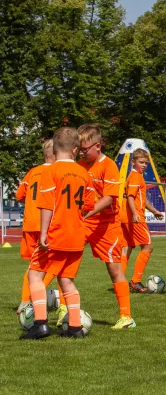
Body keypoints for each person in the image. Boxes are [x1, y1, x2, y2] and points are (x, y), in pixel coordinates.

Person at [21, 127, 94, 339]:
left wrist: (43, 232)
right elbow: (88, 204)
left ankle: (41, 323)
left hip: (55, 234)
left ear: (54, 147)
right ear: (75, 149)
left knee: (35, 274)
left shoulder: (49, 172)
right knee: (67, 280)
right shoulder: (84, 173)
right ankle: (74, 327)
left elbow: (46, 205)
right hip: (76, 235)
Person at [78, 124, 135, 329]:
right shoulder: (80, 165)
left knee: (114, 269)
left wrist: (87, 212)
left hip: (107, 225)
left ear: (98, 146)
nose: (83, 153)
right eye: (80, 149)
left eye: (85, 149)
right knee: (65, 260)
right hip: (83, 222)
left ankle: (126, 317)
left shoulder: (109, 165)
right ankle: (64, 309)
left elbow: (109, 198)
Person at [15, 140, 67, 318]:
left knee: (34, 265)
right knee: (58, 265)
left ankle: (25, 301)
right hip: (48, 224)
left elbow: (19, 195)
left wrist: (31, 203)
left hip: (29, 224)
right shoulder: (55, 172)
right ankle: (59, 304)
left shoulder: (32, 172)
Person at [120, 148, 164, 292]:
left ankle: (119, 283)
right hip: (135, 217)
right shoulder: (135, 177)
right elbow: (131, 198)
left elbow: (142, 200)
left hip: (125, 217)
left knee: (127, 248)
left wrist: (154, 211)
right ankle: (136, 281)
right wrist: (135, 213)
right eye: (141, 162)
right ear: (133, 162)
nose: (144, 165)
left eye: (146, 163)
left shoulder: (136, 176)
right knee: (148, 246)